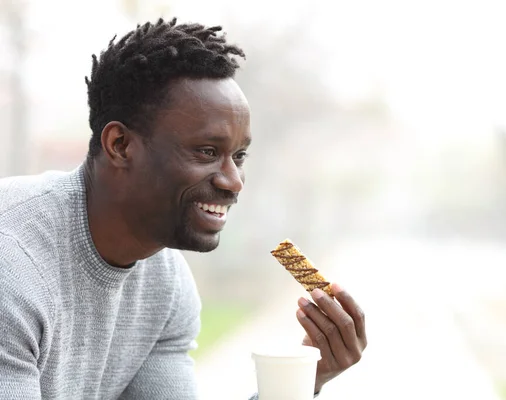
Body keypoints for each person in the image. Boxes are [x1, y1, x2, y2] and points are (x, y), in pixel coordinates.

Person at [0, 18, 367, 399]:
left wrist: (302, 381)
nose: (233, 181)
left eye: (238, 156)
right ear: (121, 145)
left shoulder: (165, 283)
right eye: (207, 152)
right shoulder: (12, 266)